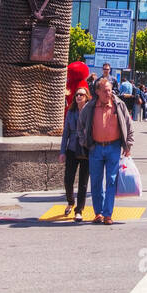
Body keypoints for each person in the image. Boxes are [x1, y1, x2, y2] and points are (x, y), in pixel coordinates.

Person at [77, 76, 133, 225]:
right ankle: (98, 213)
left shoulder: (119, 105)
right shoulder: (89, 107)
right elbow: (80, 126)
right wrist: (85, 143)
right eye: (105, 91)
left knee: (111, 181)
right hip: (95, 148)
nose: (109, 93)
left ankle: (108, 214)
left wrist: (128, 145)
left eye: (110, 90)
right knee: (95, 182)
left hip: (113, 147)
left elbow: (129, 125)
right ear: (97, 92)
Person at [59, 83, 92, 221]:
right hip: (72, 148)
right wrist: (62, 151)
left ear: (86, 97)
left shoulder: (91, 111)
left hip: (86, 149)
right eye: (77, 95)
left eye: (81, 95)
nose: (78, 96)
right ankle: (70, 202)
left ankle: (79, 210)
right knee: (68, 180)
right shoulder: (71, 112)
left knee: (83, 182)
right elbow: (65, 133)